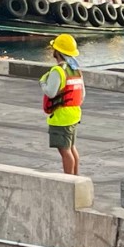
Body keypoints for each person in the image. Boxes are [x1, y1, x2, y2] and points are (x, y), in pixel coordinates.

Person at [42, 33, 86, 176]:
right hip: (74, 114)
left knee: (65, 151)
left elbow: (51, 92)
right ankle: (76, 177)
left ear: (58, 52)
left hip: (61, 118)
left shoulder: (58, 71)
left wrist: (42, 82)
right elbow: (82, 95)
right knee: (72, 147)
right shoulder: (76, 70)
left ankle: (68, 180)